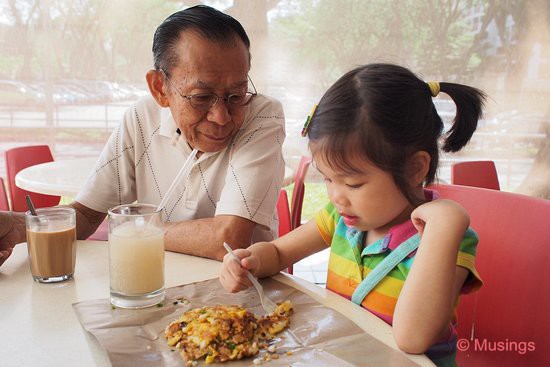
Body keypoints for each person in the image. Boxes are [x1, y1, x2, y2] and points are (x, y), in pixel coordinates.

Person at [219, 63, 485, 366]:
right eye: (328, 179)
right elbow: (279, 253)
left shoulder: (448, 240)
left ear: (415, 168)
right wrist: (249, 261)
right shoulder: (340, 217)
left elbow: (413, 338)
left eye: (353, 183)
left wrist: (444, 228)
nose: (336, 196)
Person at [0, 5, 285, 266]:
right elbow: (87, 216)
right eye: (201, 97)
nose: (222, 116)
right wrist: (17, 226)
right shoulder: (140, 119)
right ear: (160, 88)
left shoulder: (262, 115)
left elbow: (228, 238)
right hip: (159, 283)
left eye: (236, 94)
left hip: (243, 296)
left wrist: (133, 227)